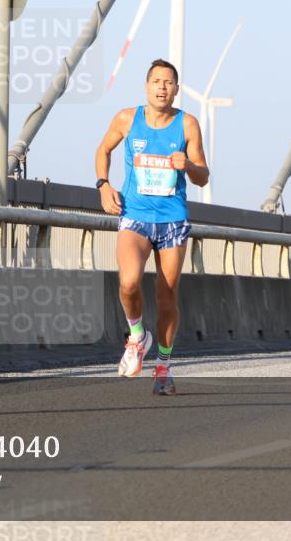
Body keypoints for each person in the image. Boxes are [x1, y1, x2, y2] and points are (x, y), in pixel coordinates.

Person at [94, 58, 209, 395]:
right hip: (135, 215)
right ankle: (136, 336)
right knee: (128, 283)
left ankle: (163, 365)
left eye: (169, 82)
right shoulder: (127, 119)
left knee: (166, 296)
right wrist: (103, 184)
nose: (162, 87)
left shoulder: (187, 125)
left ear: (176, 89)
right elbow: (103, 149)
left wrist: (187, 165)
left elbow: (203, 176)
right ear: (147, 86)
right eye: (156, 81)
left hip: (172, 220)